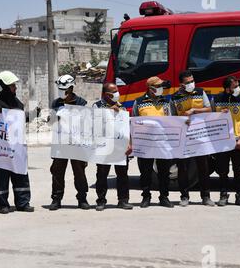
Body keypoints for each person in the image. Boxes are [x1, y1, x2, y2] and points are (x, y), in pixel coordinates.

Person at [0, 71, 34, 214]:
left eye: (14, 85)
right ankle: (3, 205)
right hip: (1, 148)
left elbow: (18, 120)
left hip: (17, 147)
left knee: (21, 175)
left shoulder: (17, 103)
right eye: (12, 85)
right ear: (3, 87)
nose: (15, 88)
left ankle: (23, 203)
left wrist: (30, 115)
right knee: (1, 177)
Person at [171, 70, 214, 207]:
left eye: (192, 81)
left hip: (200, 136)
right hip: (184, 137)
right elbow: (172, 117)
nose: (191, 84)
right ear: (181, 84)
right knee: (183, 168)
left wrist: (194, 111)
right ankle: (184, 196)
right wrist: (182, 119)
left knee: (203, 167)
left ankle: (206, 196)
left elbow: (209, 109)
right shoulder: (174, 97)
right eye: (188, 82)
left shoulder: (201, 92)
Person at [49, 74, 90, 211]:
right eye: (60, 89)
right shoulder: (56, 103)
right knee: (57, 172)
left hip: (77, 145)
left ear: (71, 88)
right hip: (60, 145)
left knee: (79, 172)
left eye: (65, 90)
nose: (62, 93)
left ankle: (82, 198)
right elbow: (51, 124)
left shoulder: (81, 103)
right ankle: (56, 199)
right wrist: (53, 119)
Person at [132, 77, 174, 208]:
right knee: (145, 171)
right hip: (146, 143)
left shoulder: (166, 102)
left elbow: (172, 120)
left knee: (164, 172)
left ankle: (164, 196)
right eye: (159, 86)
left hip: (163, 143)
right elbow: (134, 121)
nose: (162, 88)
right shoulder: (139, 102)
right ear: (151, 88)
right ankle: (146, 196)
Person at [211, 76, 240, 207]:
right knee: (222, 170)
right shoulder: (216, 100)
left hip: (236, 140)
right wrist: (219, 115)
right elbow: (209, 118)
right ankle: (223, 195)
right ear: (227, 89)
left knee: (238, 170)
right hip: (222, 141)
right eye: (235, 86)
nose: (238, 88)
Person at [93, 83, 133, 211]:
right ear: (107, 94)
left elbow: (126, 127)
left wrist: (129, 144)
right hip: (104, 146)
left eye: (117, 91)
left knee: (122, 174)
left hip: (120, 146)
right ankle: (101, 201)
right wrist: (111, 110)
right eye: (114, 91)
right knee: (102, 174)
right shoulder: (97, 106)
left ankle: (123, 200)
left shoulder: (122, 107)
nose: (117, 94)